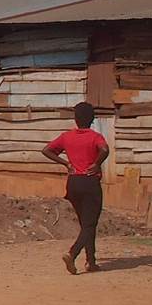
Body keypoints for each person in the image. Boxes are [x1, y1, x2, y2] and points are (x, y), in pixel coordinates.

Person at [45, 101, 110, 275]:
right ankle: (72, 254)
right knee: (90, 224)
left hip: (73, 183)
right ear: (92, 119)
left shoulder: (67, 136)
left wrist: (66, 163)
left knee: (86, 224)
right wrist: (97, 164)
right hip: (89, 182)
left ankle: (91, 261)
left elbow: (47, 150)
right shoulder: (95, 136)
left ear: (75, 118)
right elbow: (104, 149)